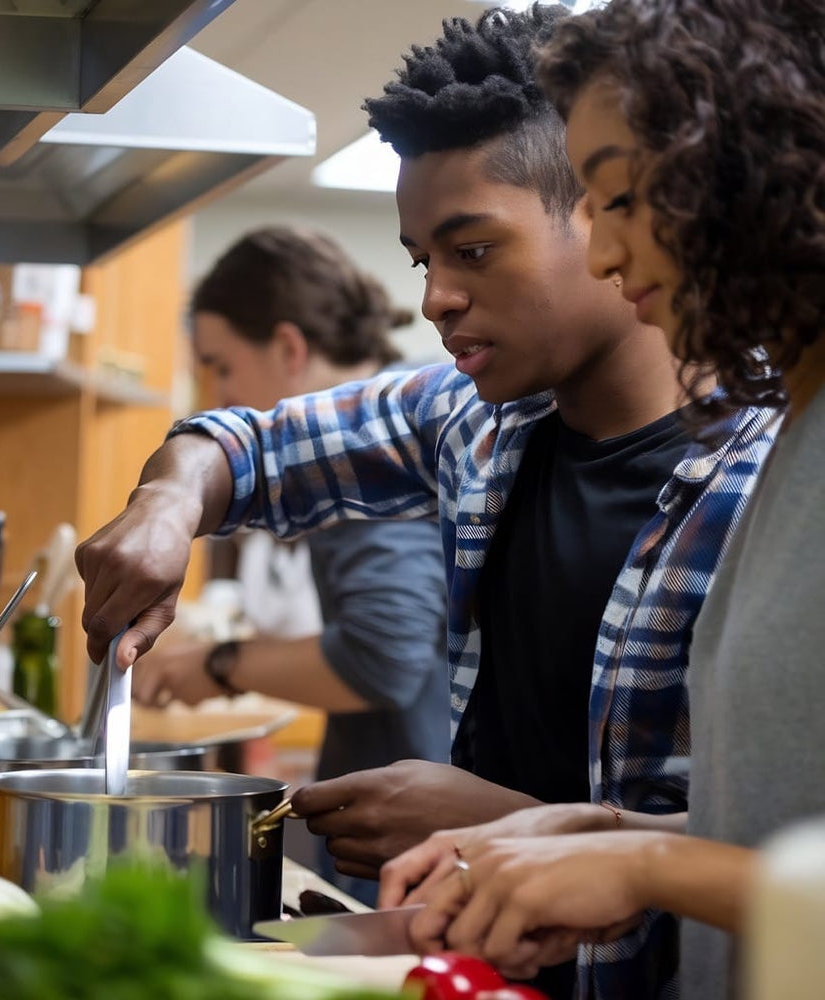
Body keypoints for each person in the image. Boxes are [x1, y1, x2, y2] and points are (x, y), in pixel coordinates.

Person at [75, 7, 779, 996]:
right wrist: (165, 500)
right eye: (422, 260)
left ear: (608, 212)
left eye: (473, 250)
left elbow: (777, 846)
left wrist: (495, 814)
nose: (436, 297)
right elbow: (252, 443)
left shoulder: (771, 468)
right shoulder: (474, 418)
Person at [377, 2, 824, 998]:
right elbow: (787, 833)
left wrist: (644, 862)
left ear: (754, 174)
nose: (610, 254)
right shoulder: (794, 435)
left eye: (618, 199)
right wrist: (608, 834)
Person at [131, 226, 451, 904]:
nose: (216, 395)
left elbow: (383, 657)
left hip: (416, 840)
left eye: (220, 366)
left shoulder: (367, 456)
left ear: (289, 348)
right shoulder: (390, 431)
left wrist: (216, 665)